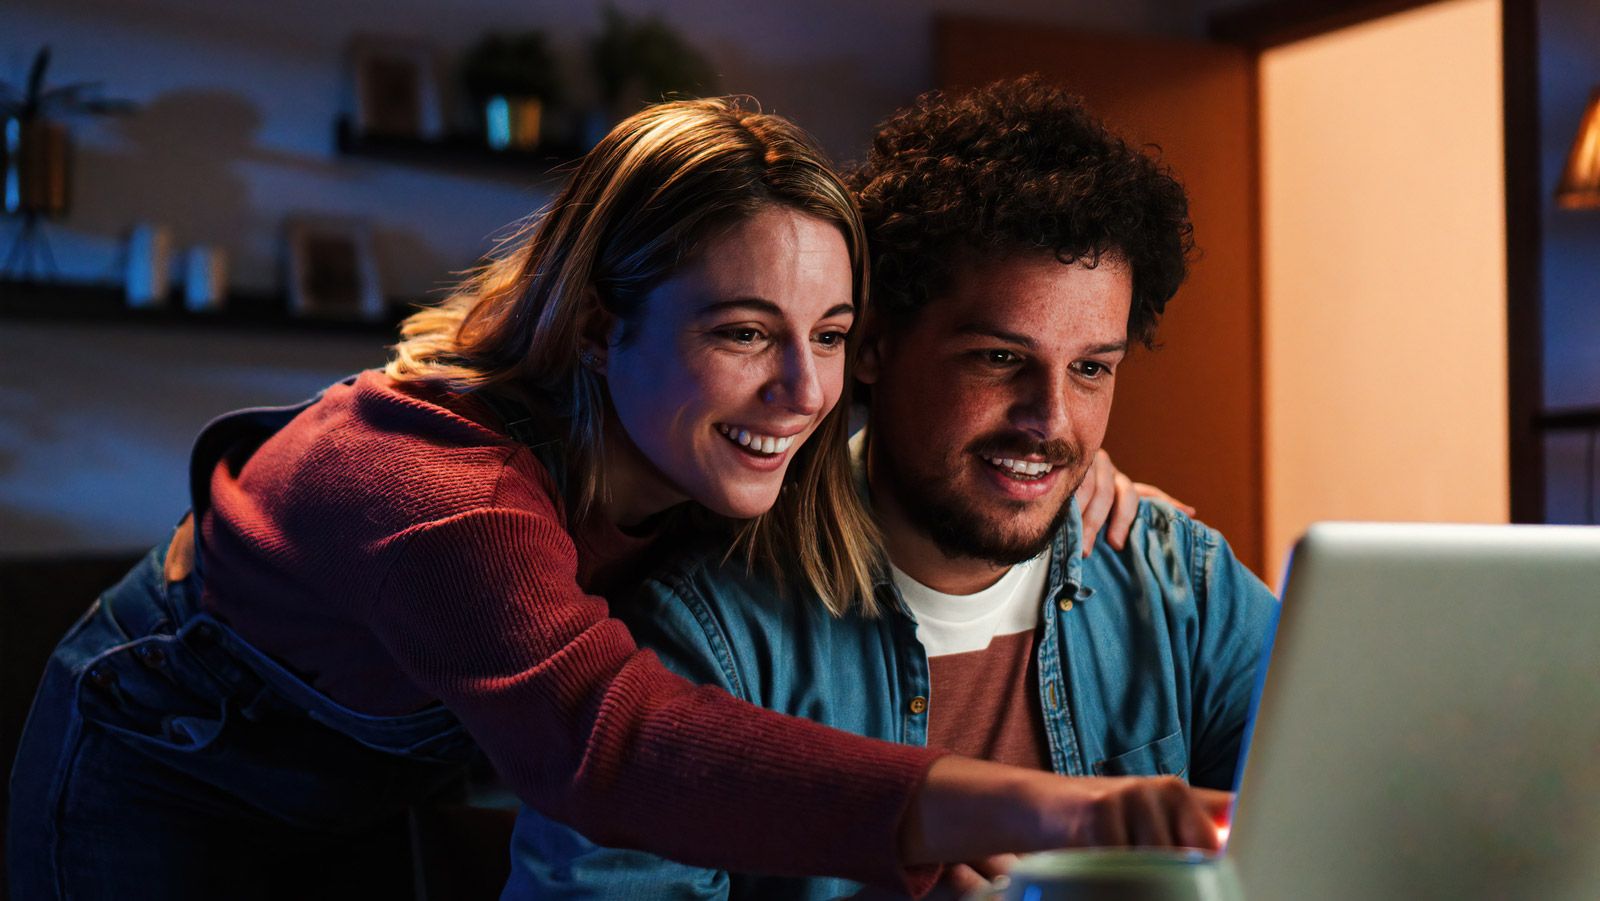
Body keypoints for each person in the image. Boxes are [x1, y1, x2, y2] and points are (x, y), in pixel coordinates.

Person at [7, 96, 1211, 901]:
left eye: (832, 334)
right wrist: (1052, 812)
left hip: (372, 783)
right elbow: (613, 742)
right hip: (165, 774)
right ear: (598, 325)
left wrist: (1055, 456)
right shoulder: (430, 488)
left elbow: (942, 429)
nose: (801, 391)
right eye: (744, 330)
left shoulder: (721, 429)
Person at [508, 79, 1280, 900]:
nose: (1051, 420)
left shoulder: (1178, 584)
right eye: (997, 358)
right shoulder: (711, 628)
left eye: (1091, 368)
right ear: (872, 347)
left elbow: (1356, 830)